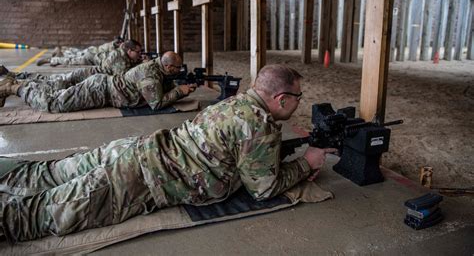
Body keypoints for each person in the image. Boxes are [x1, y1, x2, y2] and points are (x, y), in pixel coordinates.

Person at [0, 64, 335, 243]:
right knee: (35, 216)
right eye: (298, 97)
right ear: (281, 99)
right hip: (136, 178)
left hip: (131, 150)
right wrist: (306, 164)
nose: (299, 102)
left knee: (45, 174)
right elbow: (262, 188)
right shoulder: (257, 125)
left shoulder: (236, 104)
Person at [0, 51, 196, 111]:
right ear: (168, 67)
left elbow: (163, 86)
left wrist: (178, 85)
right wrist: (181, 91)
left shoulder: (157, 68)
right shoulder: (150, 75)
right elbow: (156, 103)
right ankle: (13, 88)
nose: (179, 71)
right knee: (55, 103)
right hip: (100, 90)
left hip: (103, 85)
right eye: (177, 68)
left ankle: (20, 85)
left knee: (57, 92)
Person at [36, 40, 143, 77]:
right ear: (129, 51)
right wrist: (142, 65)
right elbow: (124, 75)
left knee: (75, 55)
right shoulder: (119, 57)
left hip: (94, 55)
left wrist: (139, 60)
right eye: (138, 52)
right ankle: (52, 60)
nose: (140, 54)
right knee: (72, 60)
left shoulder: (123, 52)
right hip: (92, 57)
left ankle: (61, 52)